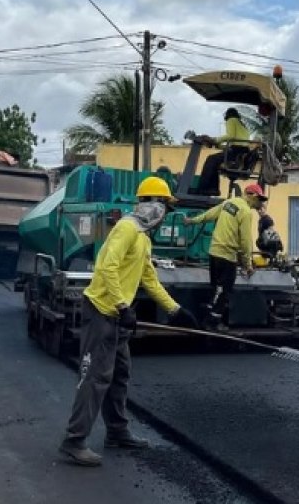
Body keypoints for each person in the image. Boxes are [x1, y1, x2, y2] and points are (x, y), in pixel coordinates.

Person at [59, 177, 198, 467]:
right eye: (165, 207)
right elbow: (105, 266)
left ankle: (117, 432)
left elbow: (148, 278)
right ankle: (74, 441)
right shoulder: (126, 228)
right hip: (101, 311)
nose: (166, 214)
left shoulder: (144, 238)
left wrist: (175, 310)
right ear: (152, 205)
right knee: (96, 377)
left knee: (120, 374)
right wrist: (123, 306)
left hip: (117, 316)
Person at [185, 184, 267, 326]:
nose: (260, 202)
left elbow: (210, 214)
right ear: (251, 195)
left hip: (213, 253)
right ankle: (212, 322)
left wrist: (192, 221)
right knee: (225, 292)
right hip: (227, 257)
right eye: (259, 199)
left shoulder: (229, 203)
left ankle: (206, 317)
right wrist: (248, 264)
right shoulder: (245, 212)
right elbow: (245, 241)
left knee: (215, 288)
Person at [194, 107, 251, 196]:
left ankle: (204, 188)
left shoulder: (232, 120)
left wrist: (215, 140)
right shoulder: (242, 125)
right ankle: (213, 189)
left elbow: (230, 136)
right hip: (242, 151)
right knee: (216, 161)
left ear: (228, 115)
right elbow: (236, 141)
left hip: (236, 151)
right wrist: (218, 145)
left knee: (211, 159)